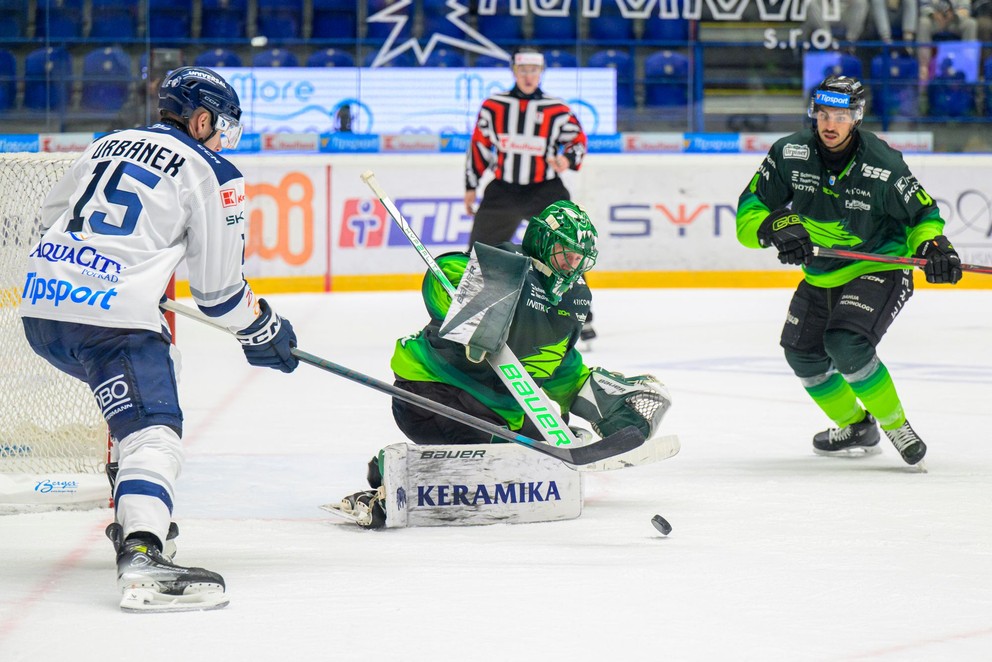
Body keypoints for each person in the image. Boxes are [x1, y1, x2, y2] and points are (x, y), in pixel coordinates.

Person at [20, 66, 299, 612]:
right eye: (224, 127)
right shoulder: (213, 169)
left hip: (42, 312)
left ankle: (139, 511)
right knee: (154, 433)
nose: (224, 139)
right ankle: (143, 553)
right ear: (201, 119)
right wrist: (264, 327)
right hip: (111, 321)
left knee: (150, 385)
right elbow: (219, 294)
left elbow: (49, 222)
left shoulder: (107, 144)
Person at [338, 201, 670, 527]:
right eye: (564, 252)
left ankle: (395, 467)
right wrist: (475, 303)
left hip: (496, 409)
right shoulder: (505, 265)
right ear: (541, 241)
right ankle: (395, 472)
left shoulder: (574, 299)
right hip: (433, 391)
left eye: (579, 257)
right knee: (497, 464)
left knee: (548, 449)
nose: (572, 263)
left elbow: (556, 364)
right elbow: (446, 274)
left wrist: (605, 401)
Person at [736, 75, 961, 467]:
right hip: (821, 273)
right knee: (801, 355)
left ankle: (895, 424)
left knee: (846, 344)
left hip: (879, 266)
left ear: (856, 117)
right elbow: (749, 210)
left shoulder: (883, 163)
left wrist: (932, 245)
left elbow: (923, 216)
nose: (829, 123)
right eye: (822, 113)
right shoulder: (789, 154)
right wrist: (772, 226)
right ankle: (856, 425)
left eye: (840, 115)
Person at [464, 47, 597, 341]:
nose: (528, 76)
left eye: (534, 70)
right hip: (503, 189)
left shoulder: (556, 108)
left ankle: (580, 313)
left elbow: (577, 140)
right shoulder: (494, 106)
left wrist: (567, 160)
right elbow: (479, 145)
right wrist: (471, 186)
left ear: (541, 72)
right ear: (513, 71)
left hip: (545, 189)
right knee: (480, 250)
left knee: (568, 246)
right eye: (523, 70)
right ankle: (467, 309)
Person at [917, 0, 978, 80]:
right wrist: (933, 14)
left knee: (971, 24)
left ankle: (967, 69)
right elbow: (923, 6)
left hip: (955, 21)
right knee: (923, 23)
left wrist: (954, 15)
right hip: (934, 20)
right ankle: (923, 68)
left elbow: (966, 7)